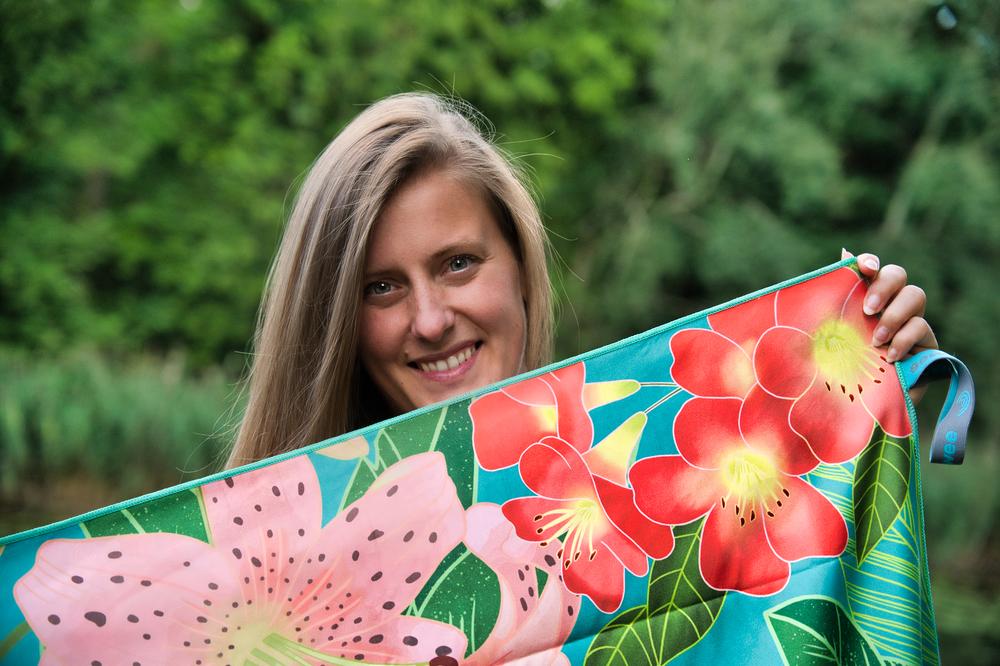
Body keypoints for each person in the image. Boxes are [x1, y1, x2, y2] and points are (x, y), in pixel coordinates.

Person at [225, 92, 936, 468]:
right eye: (381, 287)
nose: (432, 319)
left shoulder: (647, 481)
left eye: (458, 264)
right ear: (329, 324)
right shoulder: (246, 567)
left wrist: (866, 379)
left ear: (523, 272)